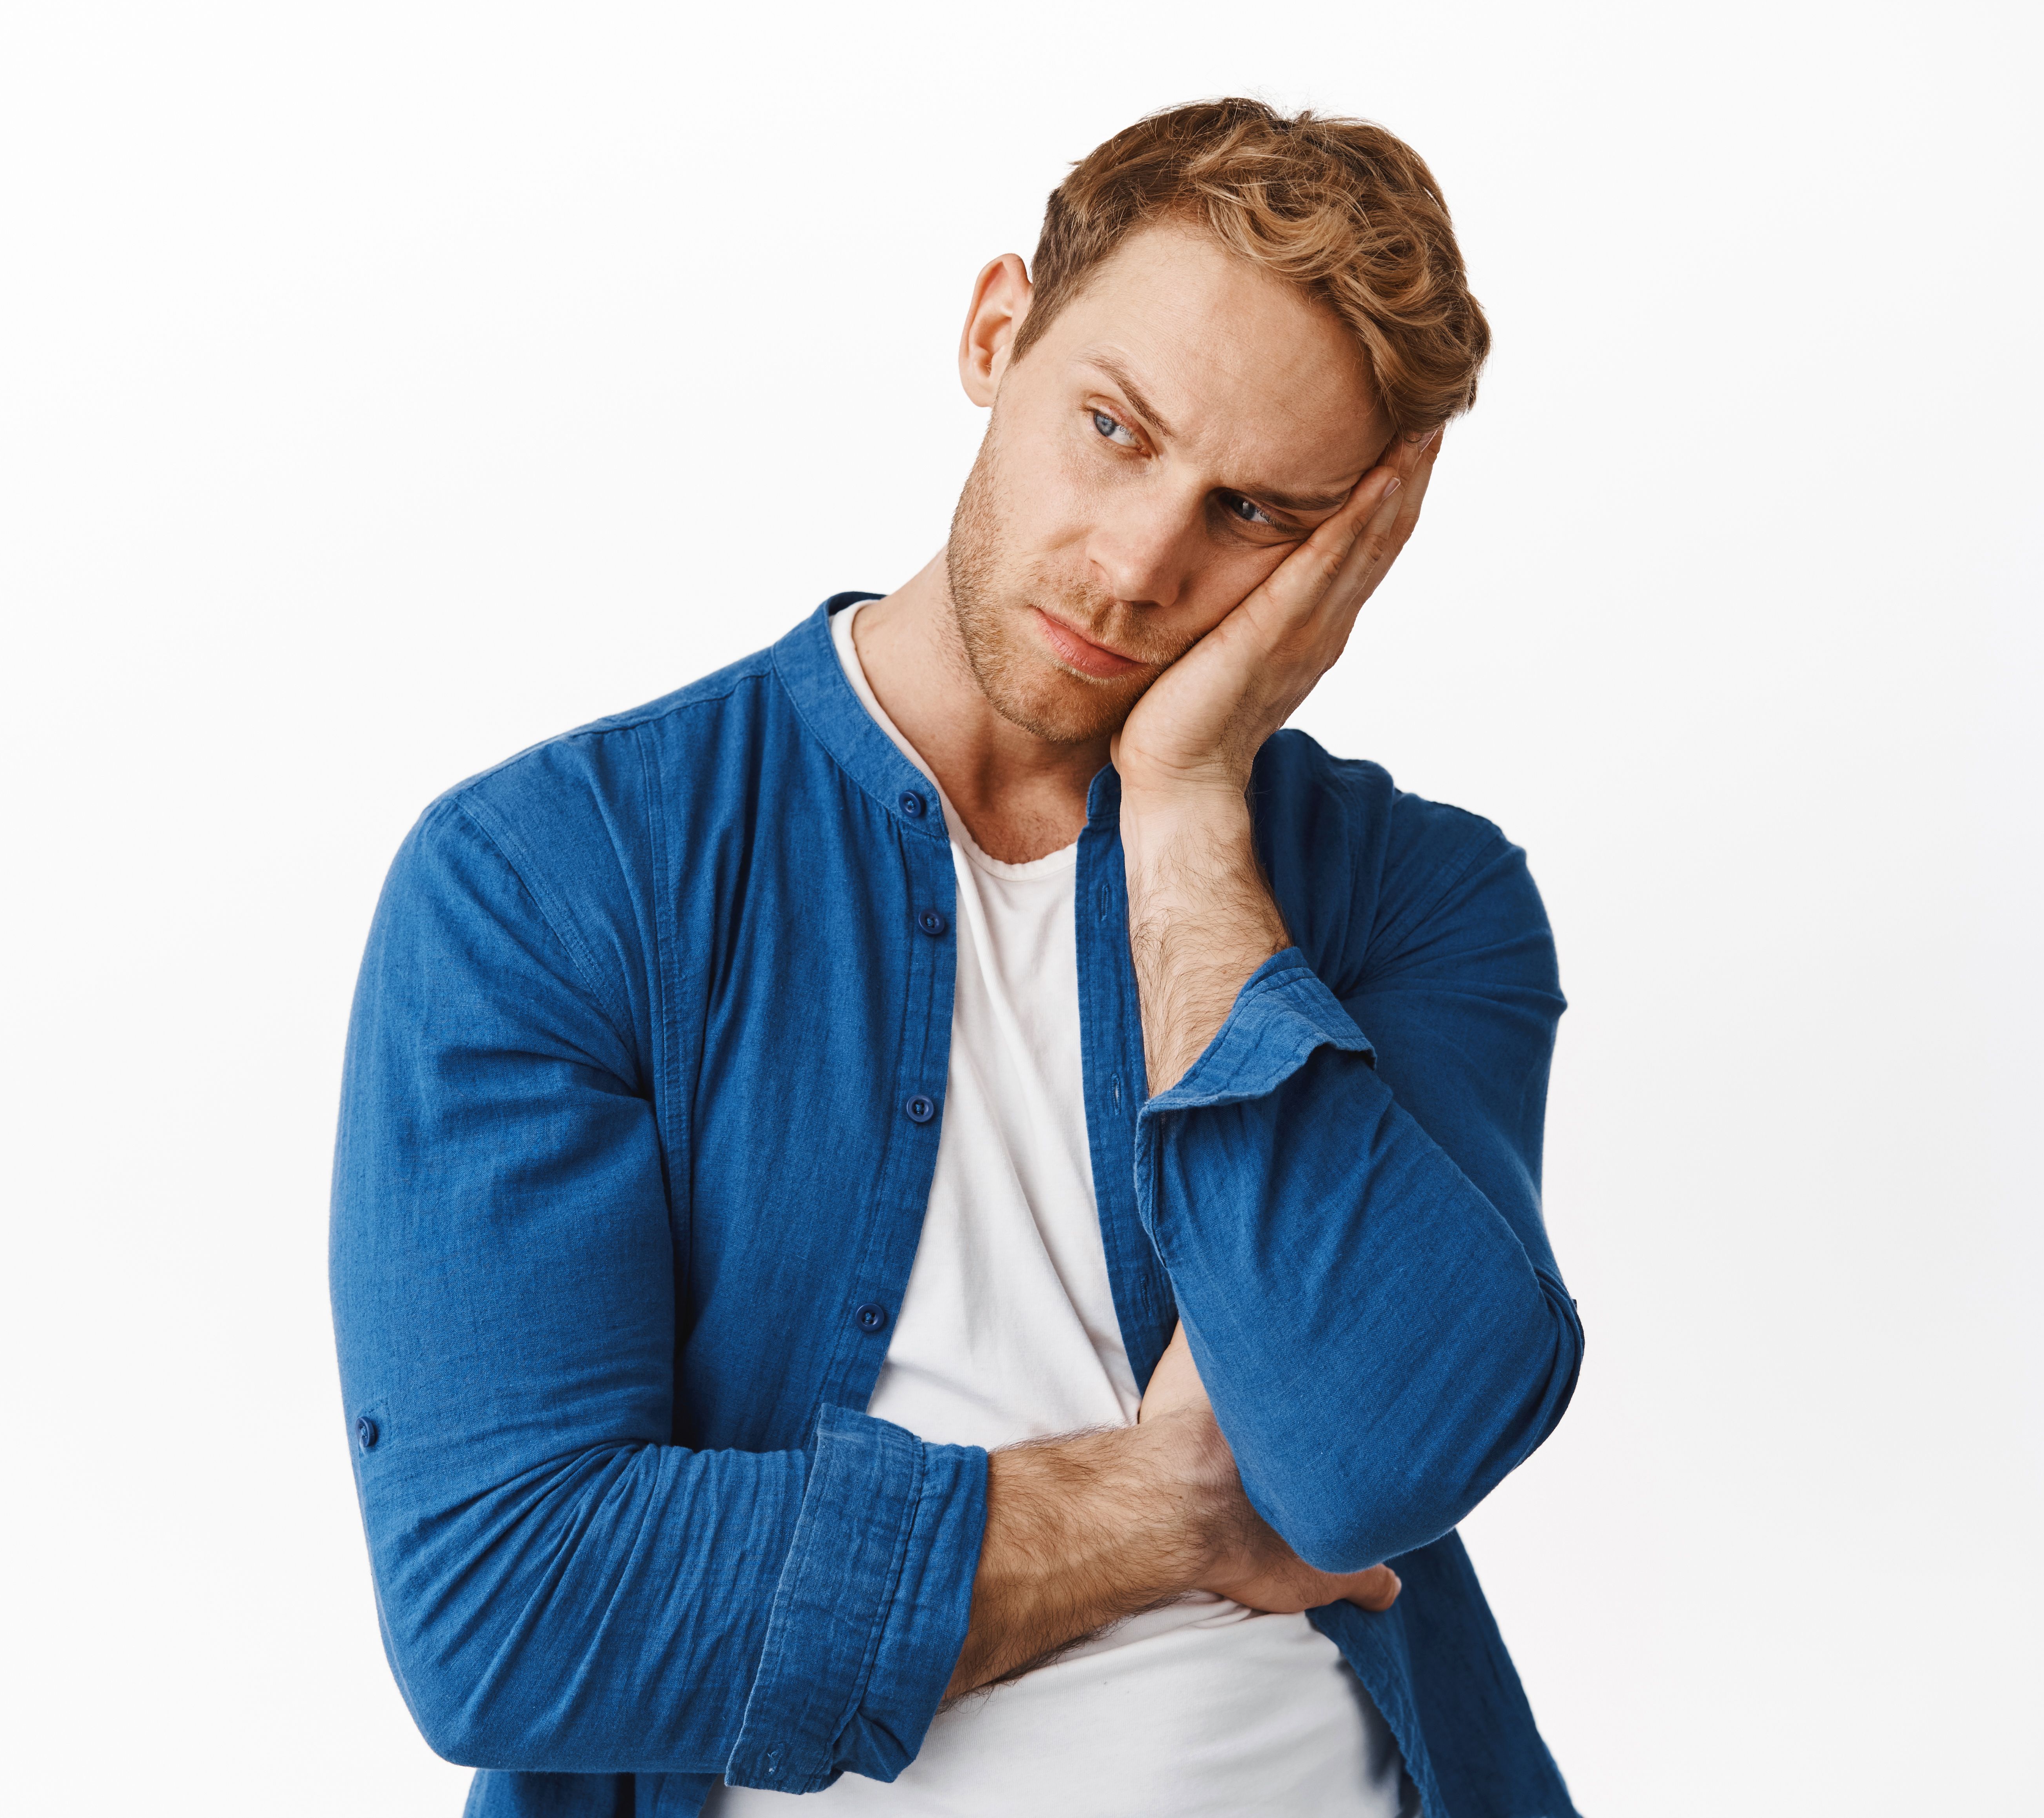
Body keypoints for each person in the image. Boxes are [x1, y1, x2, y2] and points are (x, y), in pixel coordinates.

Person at [330, 98, 1582, 1818]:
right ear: (995, 330)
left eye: (1252, 517)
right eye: (1112, 428)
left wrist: (1191, 816)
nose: (1141, 565)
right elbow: (513, 1610)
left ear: (1348, 558)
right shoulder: (554, 875)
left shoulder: (1418, 901)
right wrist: (1170, 1504)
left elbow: (1371, 1461)